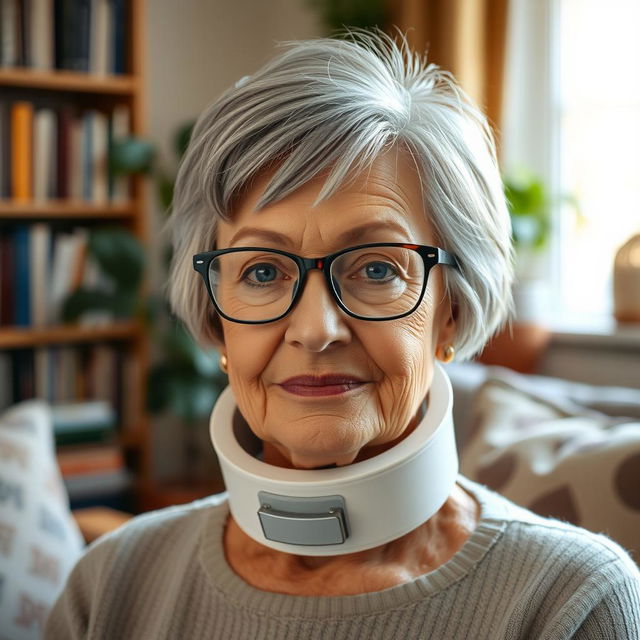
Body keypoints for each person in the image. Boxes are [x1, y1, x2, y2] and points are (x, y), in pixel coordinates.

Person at [45, 31, 640, 639]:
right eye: (262, 272)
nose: (315, 330)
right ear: (214, 318)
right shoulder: (111, 586)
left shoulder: (571, 601)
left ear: (451, 311)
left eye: (377, 268)